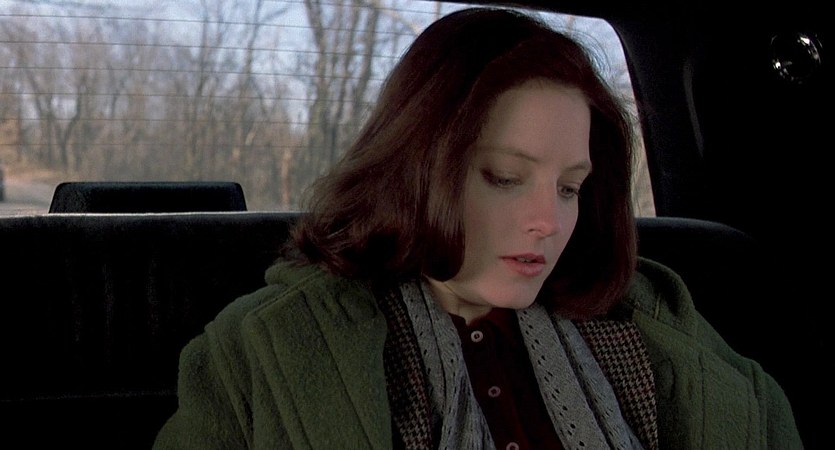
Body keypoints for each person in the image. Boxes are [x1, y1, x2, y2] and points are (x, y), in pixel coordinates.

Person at [153, 7, 802, 449]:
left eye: (569, 187)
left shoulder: (654, 319)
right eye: (504, 177)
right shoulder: (262, 346)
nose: (548, 222)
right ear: (414, 168)